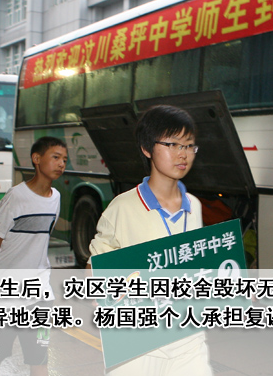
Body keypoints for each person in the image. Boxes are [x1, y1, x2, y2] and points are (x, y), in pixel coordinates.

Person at [88, 105, 210, 376]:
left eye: (189, 145)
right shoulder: (123, 207)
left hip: (189, 339)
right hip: (139, 345)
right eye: (172, 144)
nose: (183, 153)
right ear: (146, 148)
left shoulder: (194, 205)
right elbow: (95, 266)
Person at [0, 137, 67, 376]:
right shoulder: (15, 197)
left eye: (64, 159)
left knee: (39, 360)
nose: (61, 164)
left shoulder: (56, 198)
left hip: (40, 296)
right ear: (36, 159)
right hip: (4, 297)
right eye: (55, 157)